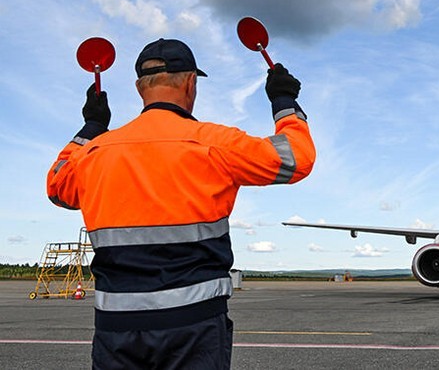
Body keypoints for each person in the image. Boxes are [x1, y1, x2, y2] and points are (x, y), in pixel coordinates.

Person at [47, 38, 316, 369]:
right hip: (194, 328)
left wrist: (92, 127)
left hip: (116, 328)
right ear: (190, 82)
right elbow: (296, 158)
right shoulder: (215, 143)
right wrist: (284, 101)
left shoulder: (94, 153)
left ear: (139, 87)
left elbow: (57, 187)